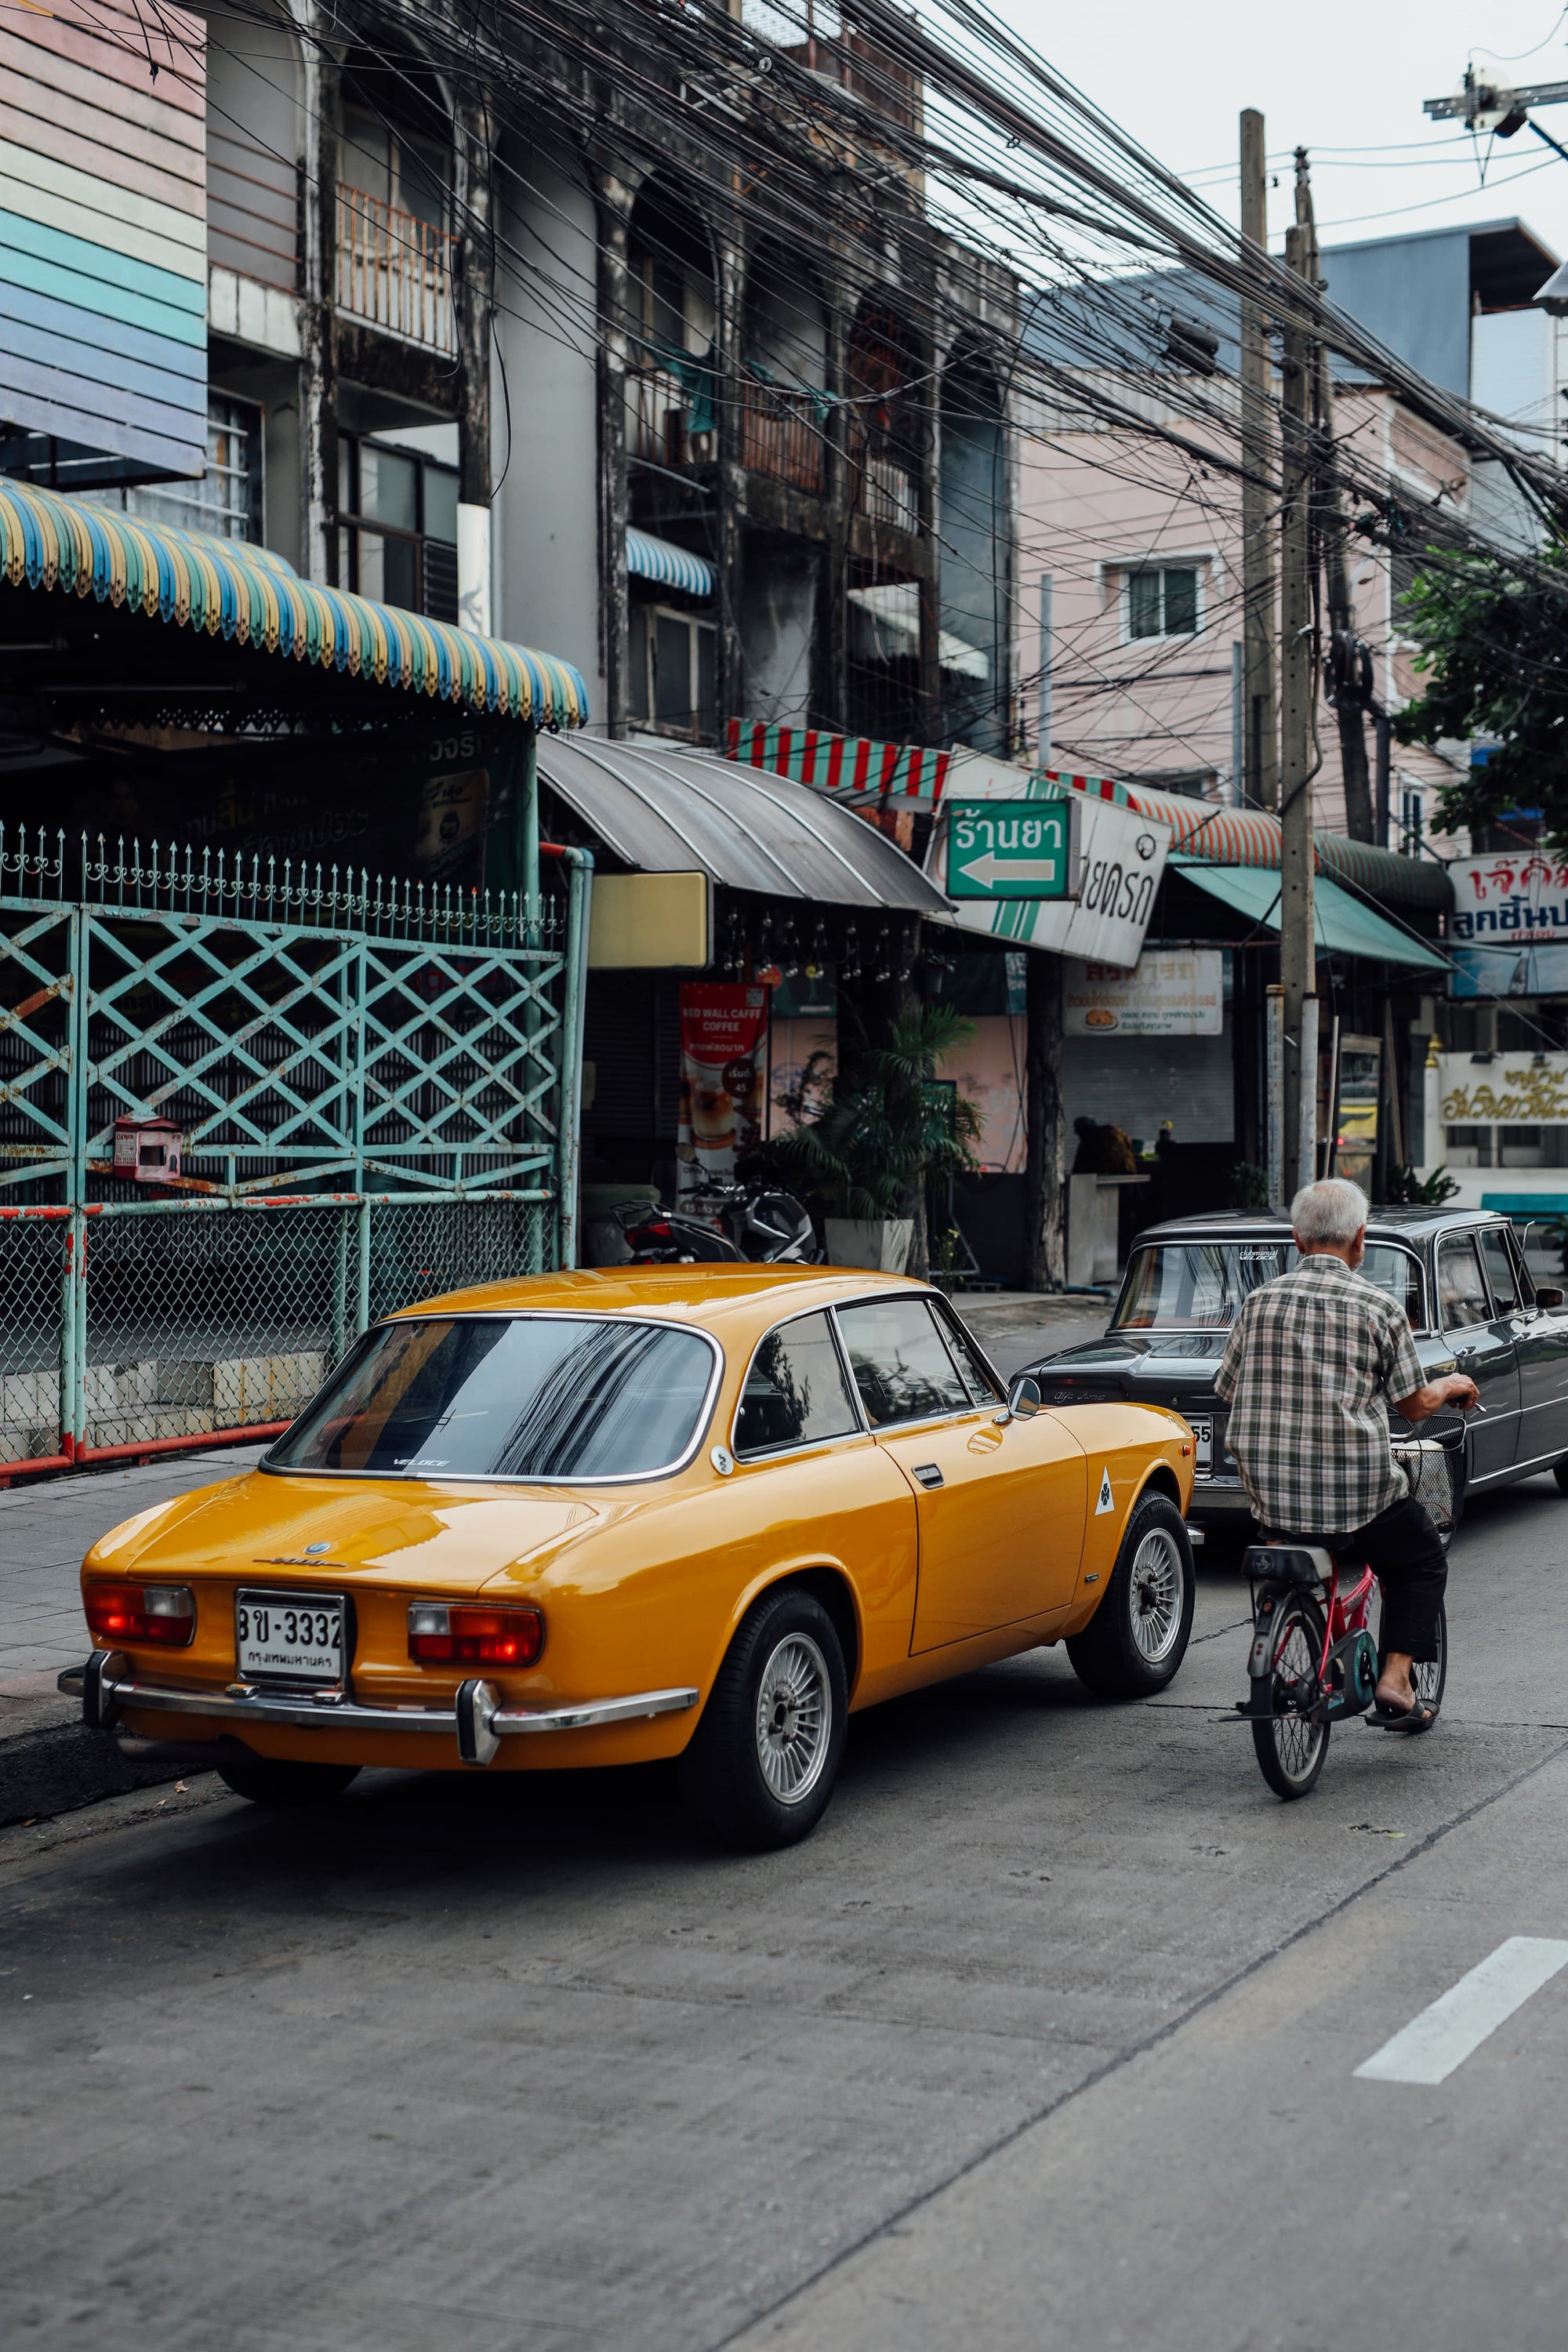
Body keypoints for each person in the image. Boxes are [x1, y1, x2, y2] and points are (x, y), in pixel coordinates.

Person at [1215, 1176, 1479, 1732]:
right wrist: (1453, 1382)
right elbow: (1413, 1407)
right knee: (1421, 1559)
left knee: (1307, 1546)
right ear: (1360, 1240)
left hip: (1269, 1496)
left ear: (1297, 1240)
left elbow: (1229, 1388)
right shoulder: (1380, 1308)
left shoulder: (1257, 1303)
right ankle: (1396, 1678)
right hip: (1355, 1494)